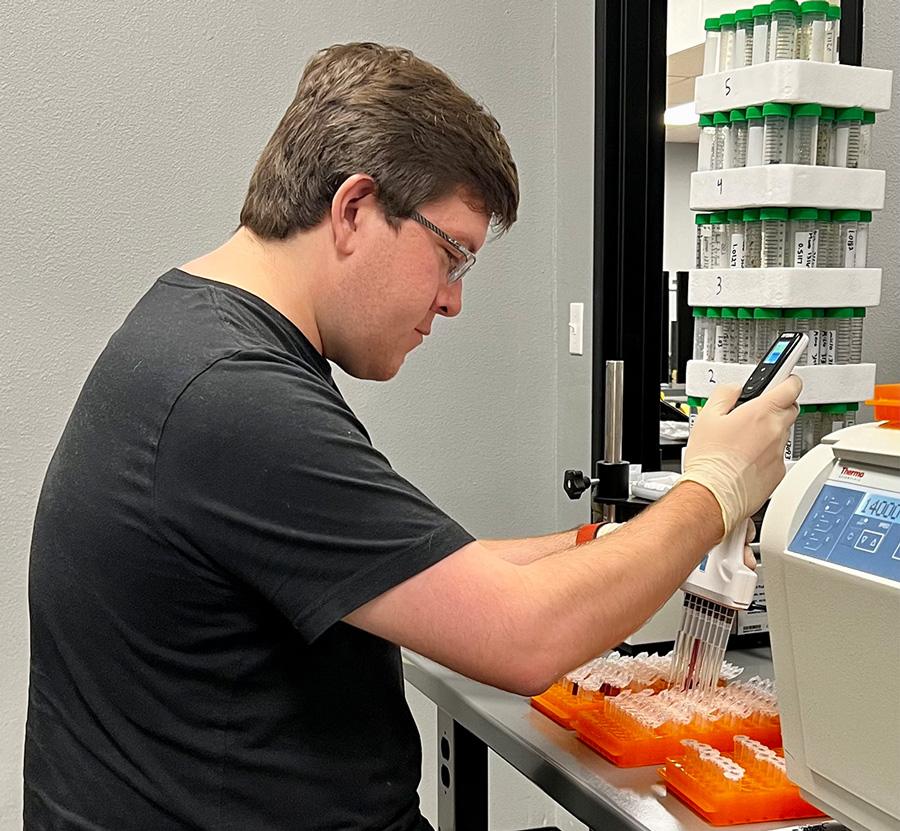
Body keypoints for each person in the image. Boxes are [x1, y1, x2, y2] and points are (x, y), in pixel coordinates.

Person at [24, 42, 801, 831]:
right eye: (451, 255)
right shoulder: (233, 396)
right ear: (355, 209)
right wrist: (715, 488)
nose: (453, 300)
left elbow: (407, 568)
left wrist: (604, 544)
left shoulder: (195, 338)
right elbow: (524, 635)